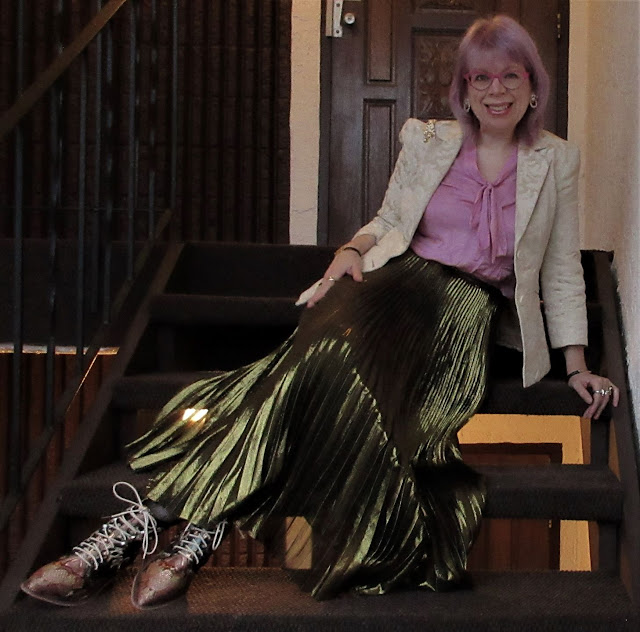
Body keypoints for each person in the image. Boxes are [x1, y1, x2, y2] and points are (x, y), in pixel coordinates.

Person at [21, 15, 618, 609]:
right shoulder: (428, 140)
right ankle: (171, 534)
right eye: (481, 78)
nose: (496, 91)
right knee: (316, 360)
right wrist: (347, 253)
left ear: (533, 84)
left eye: (510, 75)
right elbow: (387, 223)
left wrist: (576, 365)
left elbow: (563, 268)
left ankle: (161, 528)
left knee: (344, 392)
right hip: (392, 282)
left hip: (464, 308)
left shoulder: (556, 161)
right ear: (462, 88)